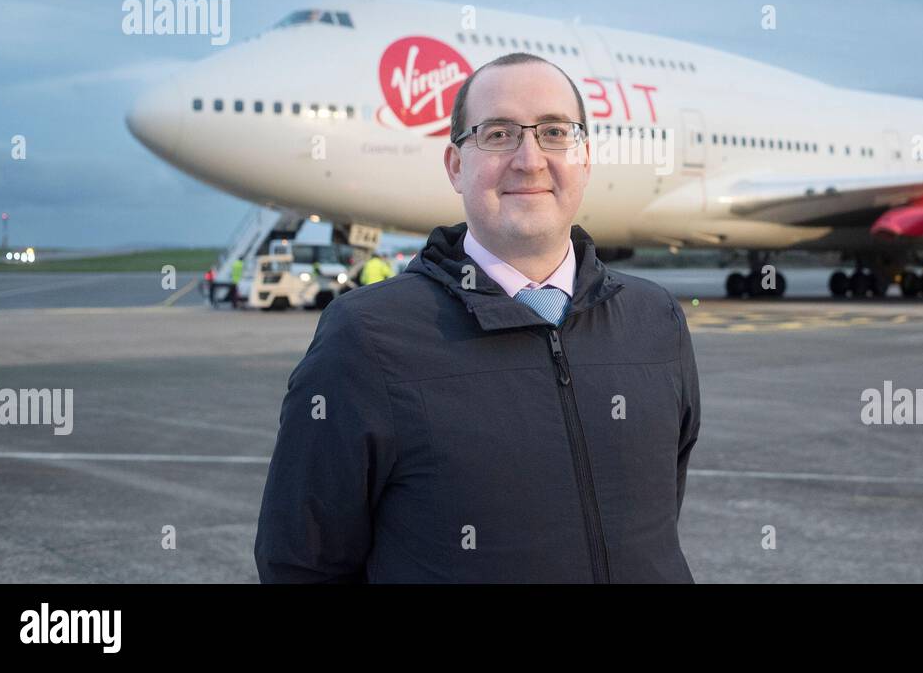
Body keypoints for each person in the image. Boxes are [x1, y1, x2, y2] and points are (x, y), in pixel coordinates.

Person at [254, 52, 700, 582]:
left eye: (555, 133)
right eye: (497, 134)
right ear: (456, 165)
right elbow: (302, 563)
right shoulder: (366, 337)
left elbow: (657, 517)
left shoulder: (656, 320)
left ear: (584, 159)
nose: (530, 160)